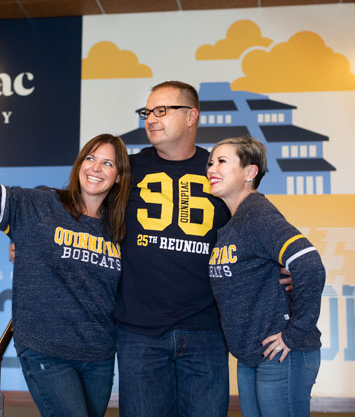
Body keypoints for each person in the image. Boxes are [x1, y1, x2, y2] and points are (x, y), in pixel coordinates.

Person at [0, 100, 131, 417]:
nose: (96, 168)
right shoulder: (40, 206)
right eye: (91, 158)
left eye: (108, 164)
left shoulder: (120, 229)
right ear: (79, 164)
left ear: (119, 176)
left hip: (99, 353)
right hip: (46, 348)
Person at [113, 81, 231, 417]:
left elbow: (252, 227)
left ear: (192, 115)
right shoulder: (126, 171)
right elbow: (83, 217)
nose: (151, 118)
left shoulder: (222, 170)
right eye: (147, 111)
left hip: (206, 329)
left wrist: (280, 264)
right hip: (139, 332)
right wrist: (34, 244)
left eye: (162, 110)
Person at [206, 136, 325, 417]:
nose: (211, 169)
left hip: (283, 355)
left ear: (250, 172)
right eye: (210, 162)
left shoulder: (256, 214)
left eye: (222, 161)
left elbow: (308, 262)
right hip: (252, 355)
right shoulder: (232, 223)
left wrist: (293, 334)